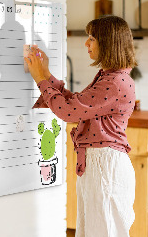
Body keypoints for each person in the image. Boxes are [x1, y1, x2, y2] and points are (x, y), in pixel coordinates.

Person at [24, 15, 137, 237]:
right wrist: (46, 74)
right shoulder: (110, 77)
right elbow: (75, 104)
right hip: (99, 165)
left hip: (105, 167)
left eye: (92, 38)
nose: (86, 43)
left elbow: (68, 112)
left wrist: (40, 79)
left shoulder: (114, 82)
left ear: (108, 43)